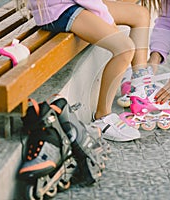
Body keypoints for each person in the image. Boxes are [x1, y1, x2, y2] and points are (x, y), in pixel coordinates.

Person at [18, 0, 152, 141]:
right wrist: (106, 20)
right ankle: (103, 117)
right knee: (124, 48)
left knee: (140, 14)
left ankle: (140, 87)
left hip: (74, 4)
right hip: (59, 10)